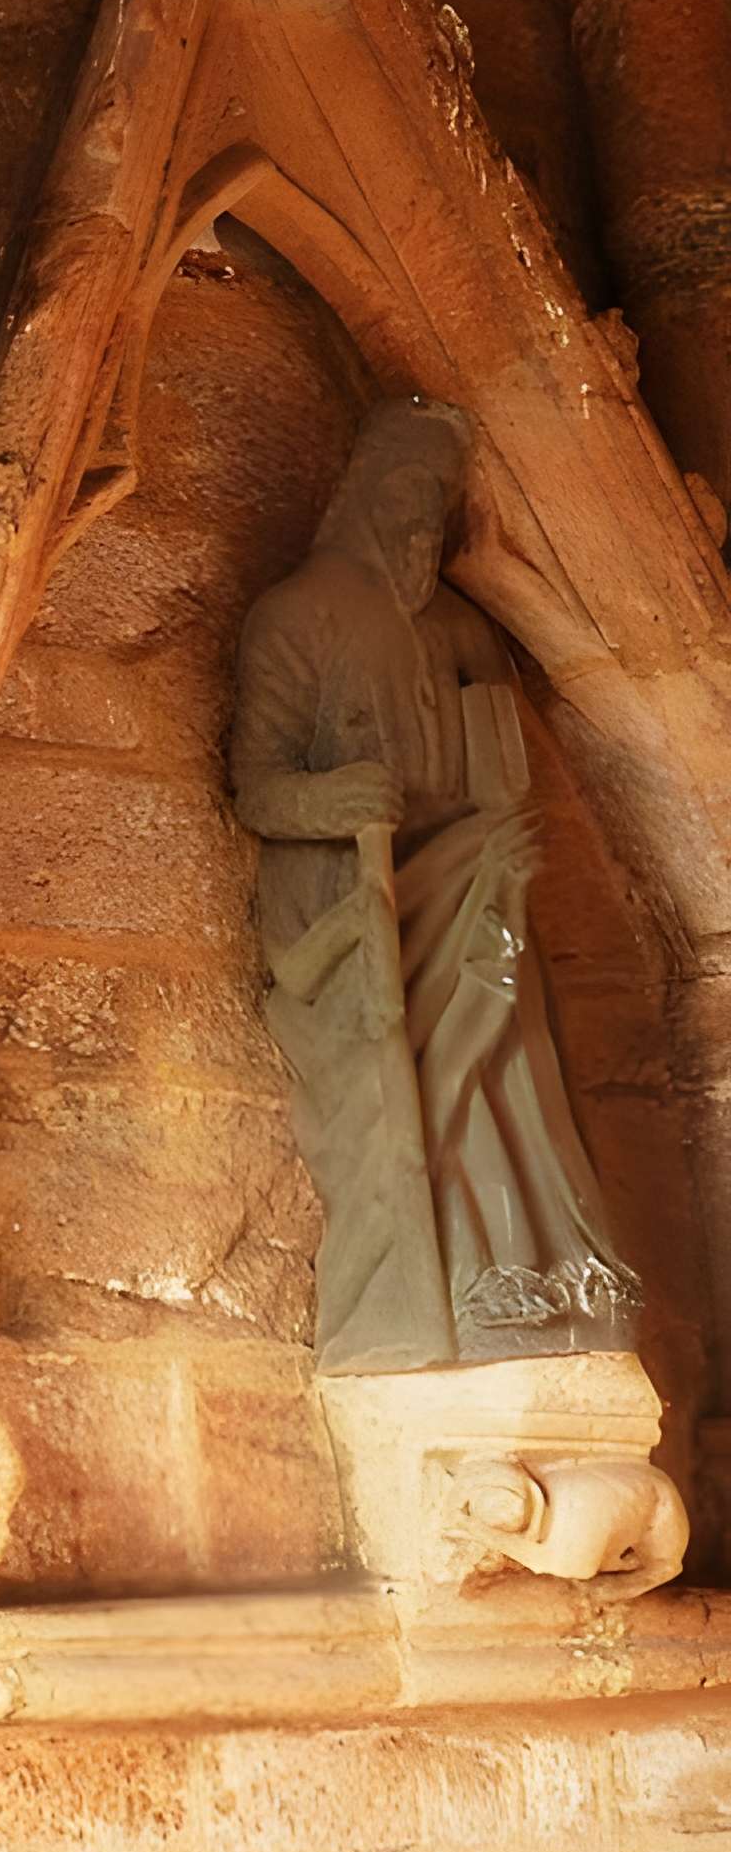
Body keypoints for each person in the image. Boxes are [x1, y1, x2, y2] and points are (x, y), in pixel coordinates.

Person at [232, 397, 639, 1373]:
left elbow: (493, 759)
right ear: (359, 494)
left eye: (436, 503)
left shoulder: (454, 630)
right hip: (354, 917)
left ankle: (528, 1275)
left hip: (469, 894)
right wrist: (335, 798)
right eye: (404, 493)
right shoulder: (296, 616)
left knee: (506, 1061)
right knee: (393, 1107)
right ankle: (423, 1299)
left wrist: (501, 830)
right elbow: (256, 787)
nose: (418, 521)